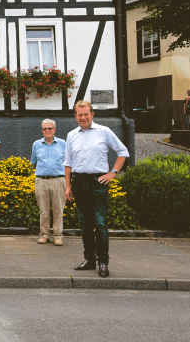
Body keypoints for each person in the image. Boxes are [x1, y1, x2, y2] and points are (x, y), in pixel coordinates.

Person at [64, 100, 129, 278]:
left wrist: (113, 172)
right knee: (84, 224)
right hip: (78, 182)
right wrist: (68, 186)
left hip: (97, 182)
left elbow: (123, 152)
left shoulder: (104, 132)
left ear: (92, 114)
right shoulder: (71, 135)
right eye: (80, 114)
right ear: (75, 116)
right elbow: (68, 162)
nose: (83, 117)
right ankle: (89, 260)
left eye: (86, 114)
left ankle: (103, 262)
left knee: (99, 223)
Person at [30, 119, 66, 246]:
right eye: (45, 128)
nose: (47, 131)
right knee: (44, 210)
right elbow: (34, 161)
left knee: (58, 209)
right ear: (42, 130)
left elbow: (67, 163)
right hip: (41, 180)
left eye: (50, 128)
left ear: (54, 130)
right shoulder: (36, 144)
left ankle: (57, 235)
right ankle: (44, 234)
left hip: (59, 180)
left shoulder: (63, 144)